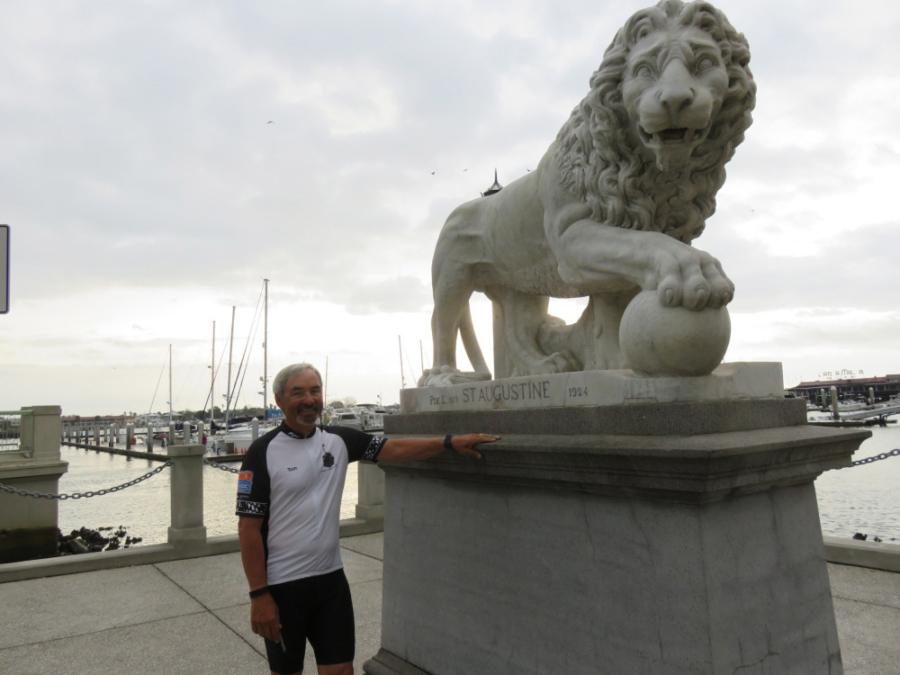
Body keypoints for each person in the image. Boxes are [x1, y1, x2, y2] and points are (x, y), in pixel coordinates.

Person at [236, 363, 499, 675]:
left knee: (341, 671)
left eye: (315, 390)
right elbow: (248, 529)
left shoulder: (339, 440)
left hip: (330, 581)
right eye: (298, 392)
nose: (309, 399)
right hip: (283, 587)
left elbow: (396, 449)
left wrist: (447, 442)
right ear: (279, 401)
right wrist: (259, 595)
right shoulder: (262, 451)